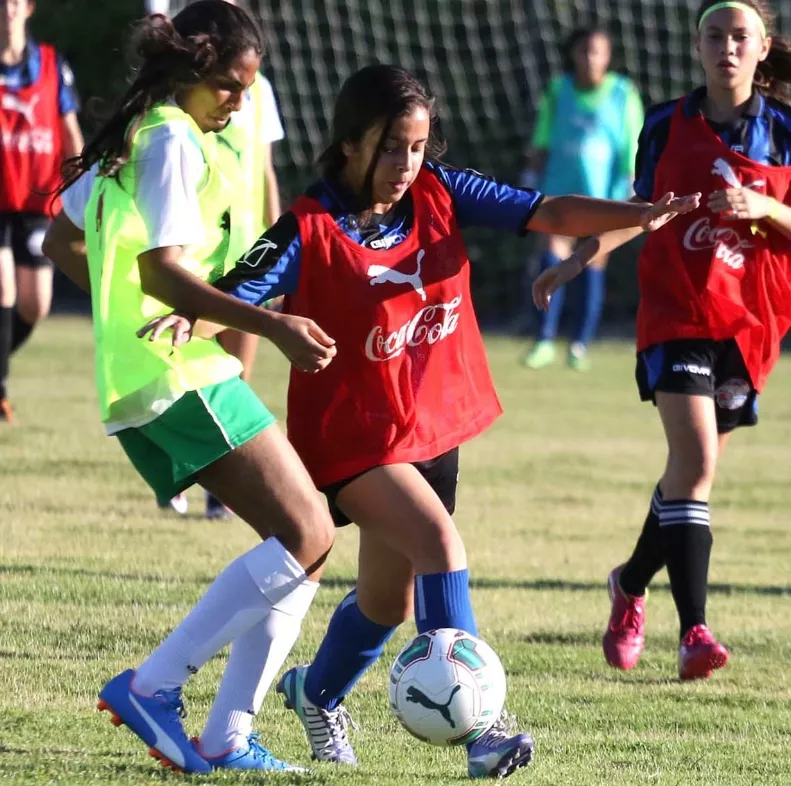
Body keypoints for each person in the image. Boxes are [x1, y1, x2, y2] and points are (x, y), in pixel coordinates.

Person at [145, 64, 698, 777]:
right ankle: (484, 731)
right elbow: (231, 293)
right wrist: (186, 315)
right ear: (350, 143)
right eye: (390, 146)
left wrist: (638, 213)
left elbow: (548, 212)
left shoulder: (442, 190)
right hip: (353, 439)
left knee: (386, 600)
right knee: (440, 544)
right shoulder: (308, 226)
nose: (405, 163)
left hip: (431, 427)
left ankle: (314, 693)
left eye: (416, 145)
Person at [43, 1, 336, 772]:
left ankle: (230, 734)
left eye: (248, 88)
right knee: (309, 535)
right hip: (173, 373)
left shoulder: (142, 130)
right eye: (228, 88)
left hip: (154, 373)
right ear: (189, 74)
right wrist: (267, 323)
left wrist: (117, 308)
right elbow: (160, 270)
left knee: (304, 543)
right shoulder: (170, 137)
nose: (240, 103)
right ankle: (153, 686)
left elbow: (60, 237)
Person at [533, 0, 791, 681]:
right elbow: (638, 214)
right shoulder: (663, 125)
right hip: (674, 314)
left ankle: (627, 584)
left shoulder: (786, 132)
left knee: (687, 476)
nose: (726, 48)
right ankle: (694, 632)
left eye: (740, 37)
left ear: (763, 48)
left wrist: (765, 208)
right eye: (714, 35)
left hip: (750, 324)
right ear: (696, 44)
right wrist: (572, 260)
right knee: (697, 460)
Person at [147, 0, 286, 521]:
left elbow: (265, 172)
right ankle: (179, 466)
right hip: (190, 253)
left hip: (246, 252)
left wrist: (278, 243)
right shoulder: (170, 128)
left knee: (236, 377)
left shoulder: (258, 92)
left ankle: (220, 491)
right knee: (183, 377)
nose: (238, 100)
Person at [521, 26, 643, 371]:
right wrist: (530, 178)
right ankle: (544, 339)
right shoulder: (559, 91)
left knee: (591, 261)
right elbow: (542, 140)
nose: (590, 58)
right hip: (558, 195)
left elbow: (631, 144)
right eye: (584, 51)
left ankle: (579, 345)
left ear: (608, 57)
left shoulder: (622, 93)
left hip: (604, 198)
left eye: (597, 51)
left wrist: (630, 188)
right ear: (574, 55)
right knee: (551, 257)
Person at [0, 0, 83, 422]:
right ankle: (0, 391)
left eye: (15, 1)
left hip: (36, 202)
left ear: (28, 8)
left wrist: (85, 191)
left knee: (36, 304)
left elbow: (71, 137)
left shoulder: (50, 65)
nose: (8, 9)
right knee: (4, 290)